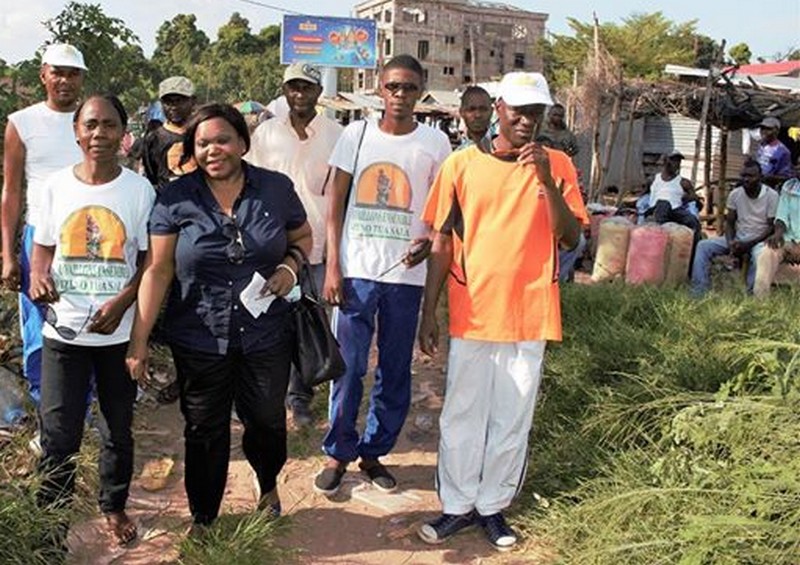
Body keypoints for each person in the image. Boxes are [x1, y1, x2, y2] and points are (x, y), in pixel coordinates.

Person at [416, 71, 582, 551]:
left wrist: (547, 182)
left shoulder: (559, 165)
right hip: (473, 309)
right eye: (519, 110)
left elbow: (570, 237)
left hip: (531, 310)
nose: (527, 120)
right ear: (499, 107)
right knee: (463, 413)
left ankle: (492, 507)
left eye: (537, 111)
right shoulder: (461, 165)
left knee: (512, 416)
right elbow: (442, 240)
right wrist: (430, 311)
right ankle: (457, 506)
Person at [126, 103, 312, 530]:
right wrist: (138, 341)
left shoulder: (275, 188)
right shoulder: (175, 197)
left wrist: (289, 266)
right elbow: (158, 269)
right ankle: (204, 516)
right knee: (203, 429)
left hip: (267, 333)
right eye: (203, 143)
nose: (214, 150)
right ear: (192, 149)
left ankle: (267, 483)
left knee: (265, 420)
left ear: (242, 143)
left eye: (223, 139)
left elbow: (302, 235)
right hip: (199, 335)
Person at [314, 54, 451, 495]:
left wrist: (427, 241)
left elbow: (440, 214)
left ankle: (374, 453)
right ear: (379, 88)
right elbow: (334, 206)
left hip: (405, 279)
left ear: (421, 91)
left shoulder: (435, 144)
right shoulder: (356, 135)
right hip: (355, 273)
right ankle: (338, 451)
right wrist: (333, 265)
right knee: (349, 369)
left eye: (410, 88)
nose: (400, 96)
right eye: (393, 86)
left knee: (394, 370)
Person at [29, 94, 155, 549]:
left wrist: (124, 302)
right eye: (90, 125)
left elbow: (148, 260)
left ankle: (114, 505)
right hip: (63, 333)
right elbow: (42, 248)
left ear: (124, 134)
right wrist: (39, 275)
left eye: (108, 125)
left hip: (117, 335)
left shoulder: (139, 191)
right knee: (60, 434)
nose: (98, 133)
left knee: (117, 428)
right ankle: (49, 526)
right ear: (76, 132)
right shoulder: (55, 186)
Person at [247, 62, 343, 427]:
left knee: (310, 322)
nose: (298, 94)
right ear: (285, 91)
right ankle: (272, 391)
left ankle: (300, 396)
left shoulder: (336, 135)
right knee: (272, 320)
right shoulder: (266, 134)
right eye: (293, 88)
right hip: (273, 246)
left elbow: (339, 197)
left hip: (317, 247)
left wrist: (336, 254)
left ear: (318, 93)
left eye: (306, 88)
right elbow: (251, 183)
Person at [1, 44, 87, 403]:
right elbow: (11, 193)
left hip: (89, 237)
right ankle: (46, 407)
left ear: (82, 78)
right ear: (43, 75)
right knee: (39, 324)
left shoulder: (93, 119)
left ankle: (82, 404)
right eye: (58, 72)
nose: (64, 80)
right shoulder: (22, 123)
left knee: (86, 319)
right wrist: (7, 255)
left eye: (72, 73)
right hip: (40, 238)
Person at [690, 158, 778, 296]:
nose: (746, 179)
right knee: (703, 246)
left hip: (759, 239)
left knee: (761, 257)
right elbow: (730, 222)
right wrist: (731, 242)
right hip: (739, 237)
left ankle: (751, 295)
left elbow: (770, 228)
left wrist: (748, 244)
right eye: (743, 176)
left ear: (760, 177)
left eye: (751, 176)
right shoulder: (736, 194)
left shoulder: (771, 196)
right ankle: (698, 292)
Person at [142, 76, 197, 191]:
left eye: (179, 101)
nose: (173, 107)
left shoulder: (203, 132)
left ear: (193, 101)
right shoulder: (153, 139)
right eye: (168, 102)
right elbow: (151, 177)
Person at [754, 162, 800, 296]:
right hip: (789, 240)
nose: (797, 168)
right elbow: (781, 216)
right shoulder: (789, 186)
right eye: (796, 164)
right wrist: (778, 234)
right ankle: (760, 302)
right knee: (767, 252)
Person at [646, 151, 702, 242]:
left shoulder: (683, 182)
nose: (676, 164)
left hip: (675, 210)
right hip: (656, 209)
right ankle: (659, 237)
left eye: (678, 161)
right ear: (665, 161)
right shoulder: (653, 179)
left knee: (693, 221)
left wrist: (686, 198)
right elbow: (644, 195)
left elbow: (694, 197)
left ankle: (694, 251)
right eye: (673, 160)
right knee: (663, 203)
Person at [756, 116, 793, 186]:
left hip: (769, 188)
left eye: (768, 129)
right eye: (762, 128)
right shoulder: (760, 145)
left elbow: (785, 176)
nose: (764, 131)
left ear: (777, 131)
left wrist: (769, 177)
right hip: (755, 186)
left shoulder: (783, 151)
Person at [456, 86, 492, 152]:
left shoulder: (504, 147)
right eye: (471, 109)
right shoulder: (458, 156)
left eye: (483, 109)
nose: (478, 115)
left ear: (491, 111)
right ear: (461, 112)